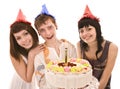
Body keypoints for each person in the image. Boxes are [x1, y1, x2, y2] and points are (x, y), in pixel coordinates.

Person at [33, 4, 77, 89]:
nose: (48, 33)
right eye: (42, 30)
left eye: (50, 27)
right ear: (38, 32)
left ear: (56, 25)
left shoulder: (70, 46)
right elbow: (41, 81)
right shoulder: (39, 54)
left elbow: (76, 71)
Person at [76, 5, 118, 89]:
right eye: (81, 31)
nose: (85, 34)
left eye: (89, 29)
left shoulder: (112, 47)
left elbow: (105, 79)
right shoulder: (79, 45)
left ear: (97, 30)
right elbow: (80, 73)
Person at [9, 9, 45, 89]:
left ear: (32, 32)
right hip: (20, 85)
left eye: (25, 34)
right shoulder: (15, 53)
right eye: (18, 38)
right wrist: (31, 55)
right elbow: (27, 79)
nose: (24, 40)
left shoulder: (36, 47)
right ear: (15, 41)